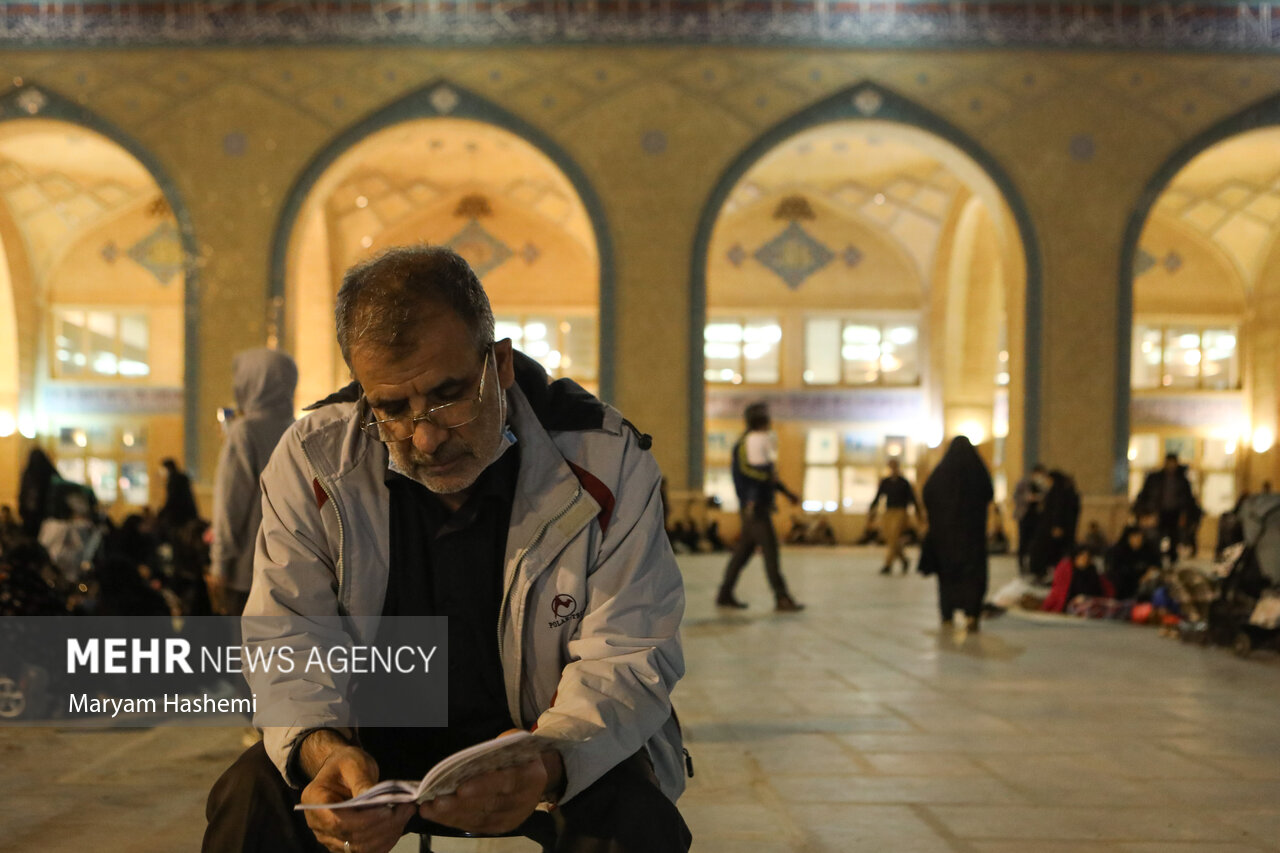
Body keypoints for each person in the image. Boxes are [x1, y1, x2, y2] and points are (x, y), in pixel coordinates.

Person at [203, 247, 690, 853]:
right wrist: (321, 750)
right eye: (390, 410)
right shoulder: (315, 461)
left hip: (544, 734)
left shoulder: (605, 459)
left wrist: (549, 760)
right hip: (373, 745)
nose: (426, 436)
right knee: (252, 801)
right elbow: (289, 635)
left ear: (501, 364)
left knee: (632, 823)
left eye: (449, 394)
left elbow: (630, 649)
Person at [206, 347, 298, 617]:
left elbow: (230, 504)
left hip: (246, 573)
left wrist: (219, 565)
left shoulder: (245, 432)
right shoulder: (297, 429)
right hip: (289, 571)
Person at [714, 401, 805, 612]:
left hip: (753, 507)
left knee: (743, 552)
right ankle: (782, 597)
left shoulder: (749, 442)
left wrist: (786, 492)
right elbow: (755, 474)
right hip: (754, 508)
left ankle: (725, 593)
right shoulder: (751, 442)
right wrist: (770, 488)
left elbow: (766, 476)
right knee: (770, 550)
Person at [919, 436, 993, 632]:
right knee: (973, 577)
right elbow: (989, 493)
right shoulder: (977, 473)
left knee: (947, 578)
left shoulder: (941, 474)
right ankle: (972, 614)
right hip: (972, 539)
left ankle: (947, 614)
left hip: (945, 540)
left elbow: (927, 494)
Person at [1134, 453, 1196, 565]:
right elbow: (1145, 495)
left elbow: (1187, 500)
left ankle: (1172, 562)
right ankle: (1156, 562)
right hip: (1158, 513)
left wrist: (1184, 515)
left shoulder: (1182, 480)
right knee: (1155, 539)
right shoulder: (1155, 478)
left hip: (1174, 514)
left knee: (1174, 538)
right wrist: (1144, 512)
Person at [867, 458, 921, 575]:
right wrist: (872, 509)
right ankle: (903, 559)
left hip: (901, 511)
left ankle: (887, 564)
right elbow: (879, 496)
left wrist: (918, 513)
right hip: (889, 511)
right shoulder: (886, 482)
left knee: (894, 536)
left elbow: (912, 498)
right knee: (890, 538)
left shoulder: (904, 482)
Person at [1027, 470, 1081, 582]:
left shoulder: (1060, 492)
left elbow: (1058, 510)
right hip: (1050, 527)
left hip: (1053, 529)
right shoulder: (1056, 491)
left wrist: (1057, 525)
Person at [1041, 545, 1106, 613]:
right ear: (1076, 556)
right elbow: (1059, 591)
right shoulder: (1066, 569)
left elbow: (1097, 591)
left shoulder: (1092, 572)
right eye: (1083, 556)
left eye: (1088, 557)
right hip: (1067, 606)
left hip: (1088, 606)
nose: (1085, 559)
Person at [1105, 525, 1162, 601]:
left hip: (1146, 589)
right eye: (1135, 537)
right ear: (1128, 538)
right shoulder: (1119, 552)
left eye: (1140, 537)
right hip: (1125, 592)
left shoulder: (1147, 550)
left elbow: (1157, 563)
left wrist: (1151, 571)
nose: (1138, 539)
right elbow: (1119, 574)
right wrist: (1139, 579)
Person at [1011, 464, 1046, 573]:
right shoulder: (1023, 483)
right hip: (1024, 516)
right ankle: (1021, 565)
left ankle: (1032, 565)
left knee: (1034, 542)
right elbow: (1015, 496)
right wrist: (1027, 497)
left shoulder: (1041, 486)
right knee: (1023, 541)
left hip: (1036, 517)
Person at [17, 448, 57, 539]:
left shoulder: (28, 476)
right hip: (47, 519)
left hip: (30, 519)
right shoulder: (49, 473)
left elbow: (23, 498)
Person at [157, 457, 200, 531]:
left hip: (179, 516)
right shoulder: (182, 477)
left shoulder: (173, 480)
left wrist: (162, 512)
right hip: (188, 514)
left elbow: (172, 499)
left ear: (167, 468)